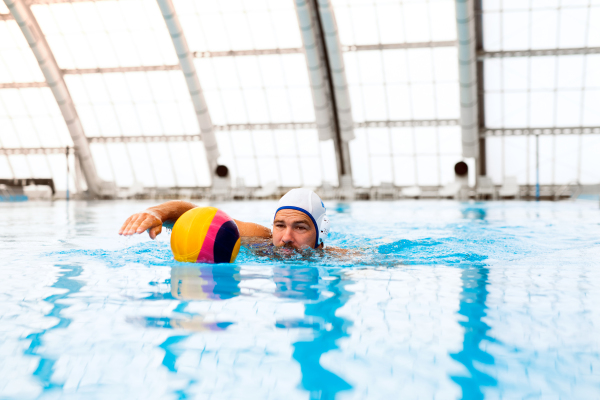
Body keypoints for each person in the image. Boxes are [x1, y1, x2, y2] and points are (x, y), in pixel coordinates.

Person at [119, 188, 333, 253]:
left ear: (320, 235)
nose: (286, 237)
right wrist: (157, 213)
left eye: (300, 228)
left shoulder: (338, 260)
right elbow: (203, 216)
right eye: (280, 226)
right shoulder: (261, 240)